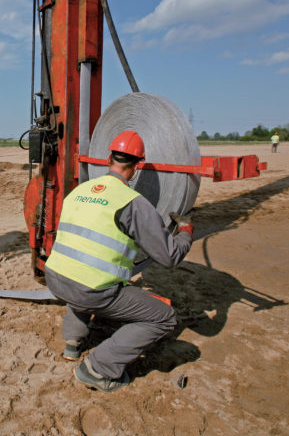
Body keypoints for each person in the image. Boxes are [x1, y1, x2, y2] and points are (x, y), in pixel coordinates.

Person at [43, 130, 194, 393]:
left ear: (109, 158)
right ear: (136, 168)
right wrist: (185, 232)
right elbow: (169, 256)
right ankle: (98, 368)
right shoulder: (132, 203)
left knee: (83, 277)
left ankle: (73, 343)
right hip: (87, 289)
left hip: (55, 278)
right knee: (163, 318)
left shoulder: (80, 190)